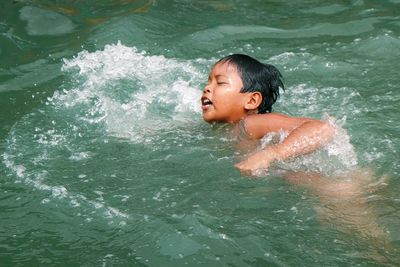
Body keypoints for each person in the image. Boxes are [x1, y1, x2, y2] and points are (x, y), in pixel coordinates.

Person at [201, 54, 335, 173]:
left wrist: (271, 154)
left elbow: (321, 127)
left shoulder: (251, 123)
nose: (207, 88)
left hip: (333, 189)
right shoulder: (221, 128)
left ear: (252, 100)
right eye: (209, 82)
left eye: (220, 83)